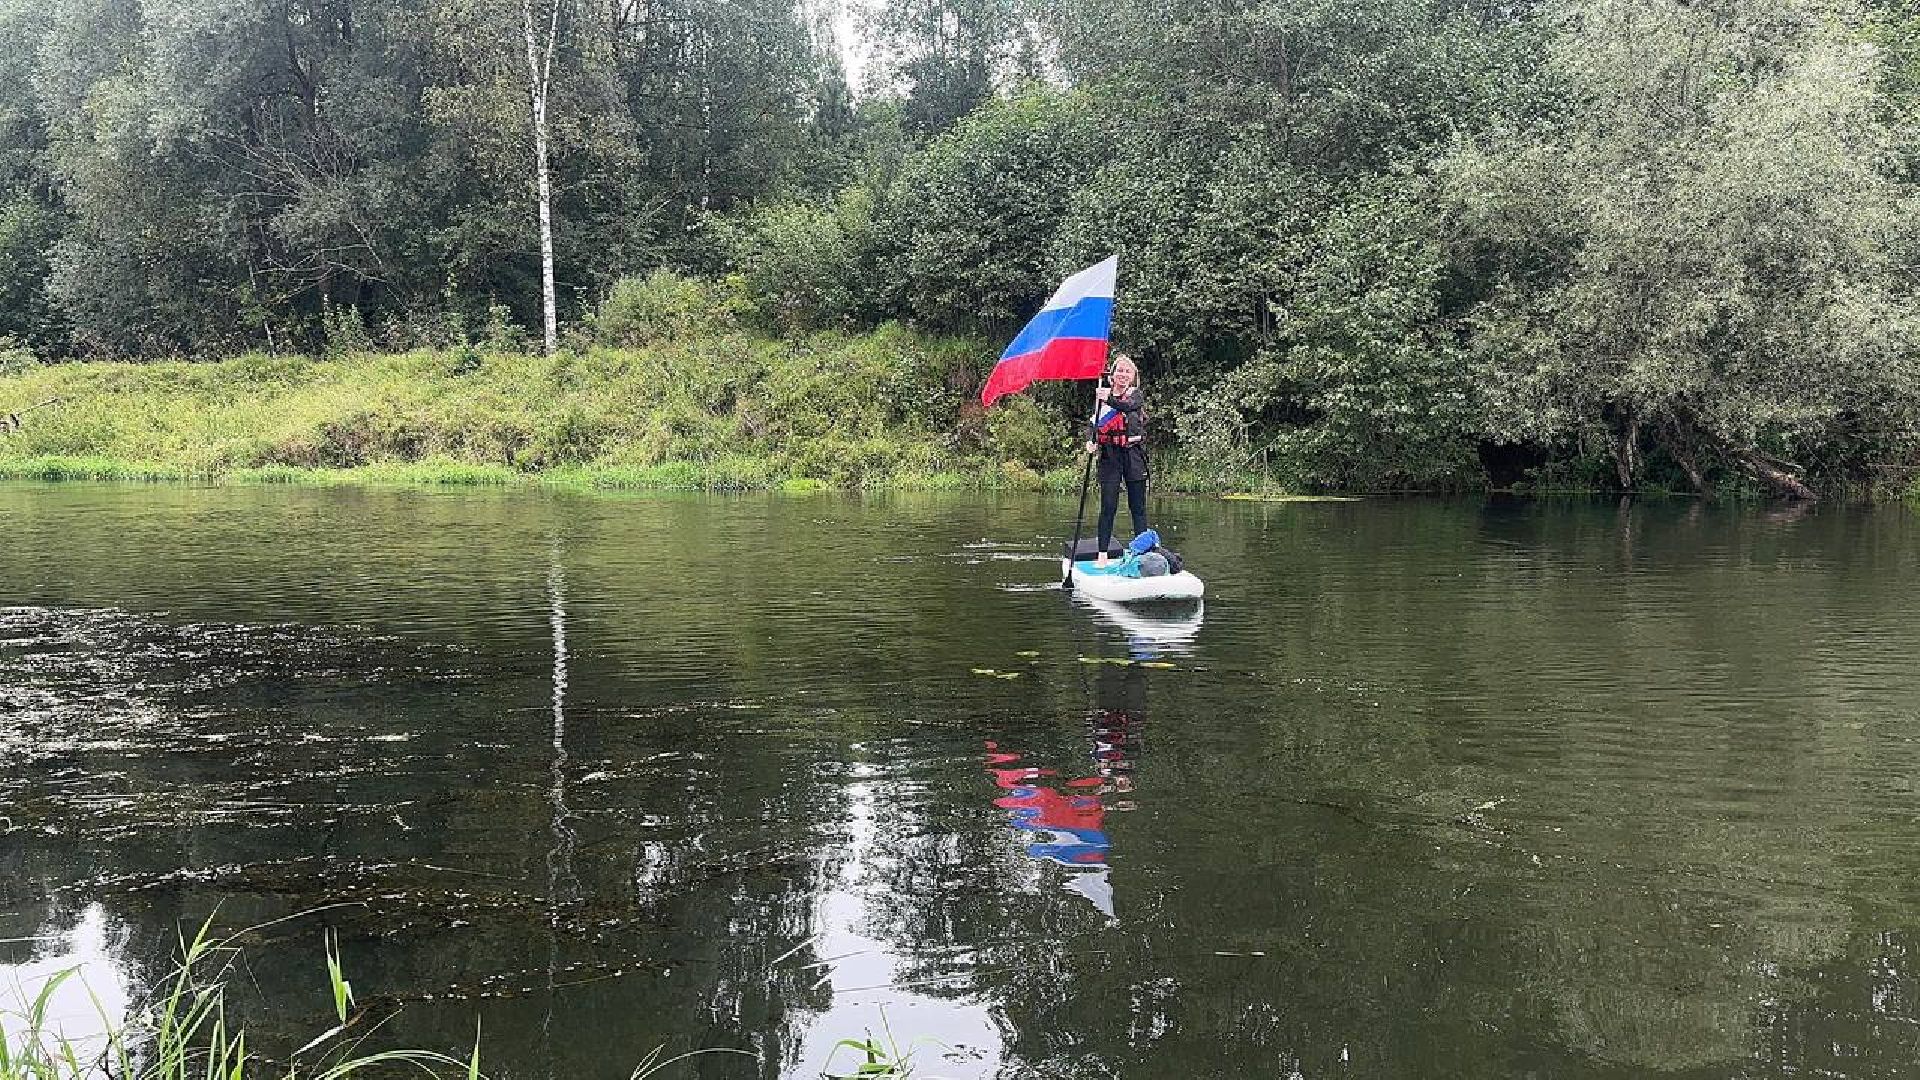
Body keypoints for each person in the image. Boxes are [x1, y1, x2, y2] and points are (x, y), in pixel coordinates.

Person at [1085, 355, 1149, 565]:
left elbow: (1127, 407)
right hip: (1110, 456)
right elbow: (1093, 424)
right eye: (1119, 371)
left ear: (1133, 377)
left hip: (1133, 454)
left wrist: (1107, 398)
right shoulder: (1102, 398)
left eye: (1127, 371)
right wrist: (1090, 441)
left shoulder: (1135, 395)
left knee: (1137, 506)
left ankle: (1142, 553)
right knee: (1109, 505)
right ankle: (1102, 553)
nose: (1122, 374)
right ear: (1112, 376)